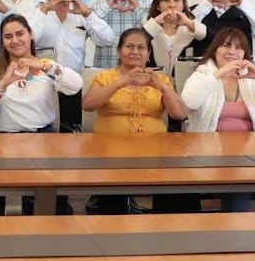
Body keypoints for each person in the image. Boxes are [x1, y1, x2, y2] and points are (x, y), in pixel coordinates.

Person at [0, 14, 82, 216]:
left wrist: (46, 66)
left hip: (44, 140)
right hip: (5, 143)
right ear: (2, 42)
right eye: (8, 36)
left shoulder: (46, 67)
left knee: (53, 204)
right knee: (4, 203)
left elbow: (75, 86)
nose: (15, 40)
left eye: (20, 34)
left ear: (30, 35)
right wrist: (3, 83)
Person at [180, 28, 255, 212]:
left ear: (245, 54)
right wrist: (219, 74)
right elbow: (189, 102)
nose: (232, 51)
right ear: (214, 50)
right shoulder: (203, 74)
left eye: (239, 47)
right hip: (212, 152)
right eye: (226, 45)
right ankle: (237, 232)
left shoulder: (252, 77)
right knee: (239, 186)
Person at [82, 28, 193, 214]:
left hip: (155, 153)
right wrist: (121, 81)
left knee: (177, 191)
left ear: (149, 54)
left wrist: (162, 88)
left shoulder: (161, 79)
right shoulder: (105, 78)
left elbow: (180, 114)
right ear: (119, 51)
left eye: (141, 48)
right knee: (112, 199)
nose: (135, 52)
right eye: (129, 47)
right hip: (110, 153)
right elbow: (88, 105)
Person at [33, 0, 114, 130]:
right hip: (40, 89)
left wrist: (87, 14)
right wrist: (46, 8)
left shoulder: (81, 13)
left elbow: (107, 39)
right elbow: (28, 39)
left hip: (73, 88)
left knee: (72, 143)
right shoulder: (33, 12)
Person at [89, 0, 150, 69]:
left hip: (137, 73)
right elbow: (89, 30)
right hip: (104, 73)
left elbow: (153, 33)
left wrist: (137, 8)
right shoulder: (96, 3)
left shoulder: (146, 3)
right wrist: (107, 6)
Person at [144, 0, 206, 75]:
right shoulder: (149, 27)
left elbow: (211, 38)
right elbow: (137, 41)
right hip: (155, 85)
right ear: (158, 5)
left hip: (184, 86)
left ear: (183, 5)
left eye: (177, 0)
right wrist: (156, 22)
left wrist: (188, 22)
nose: (172, 5)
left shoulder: (193, 29)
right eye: (166, 0)